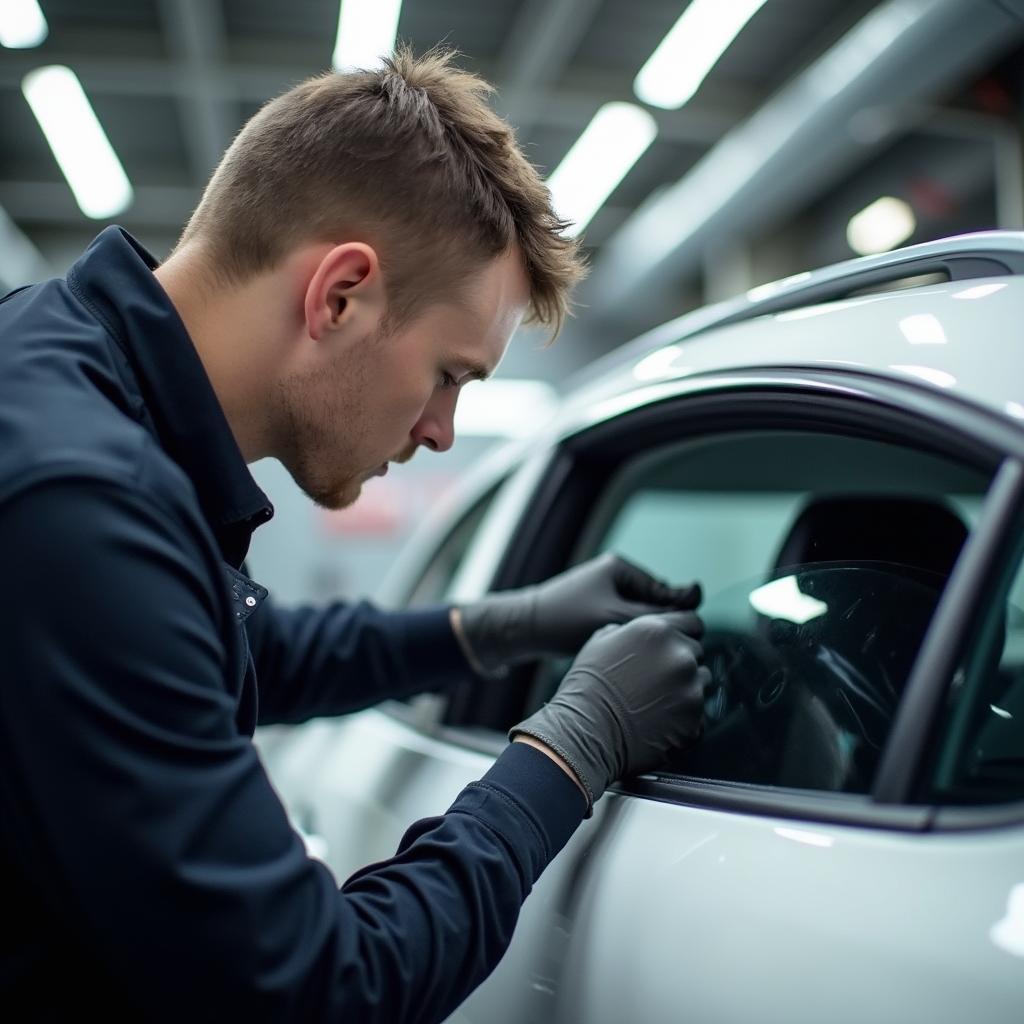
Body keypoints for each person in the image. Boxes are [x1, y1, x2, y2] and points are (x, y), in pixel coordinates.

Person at [0, 47, 709, 1022]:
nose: (440, 430)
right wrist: (568, 751)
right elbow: (318, 992)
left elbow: (243, 647)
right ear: (339, 295)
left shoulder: (63, 376)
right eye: (450, 373)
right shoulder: (81, 506)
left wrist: (496, 627)